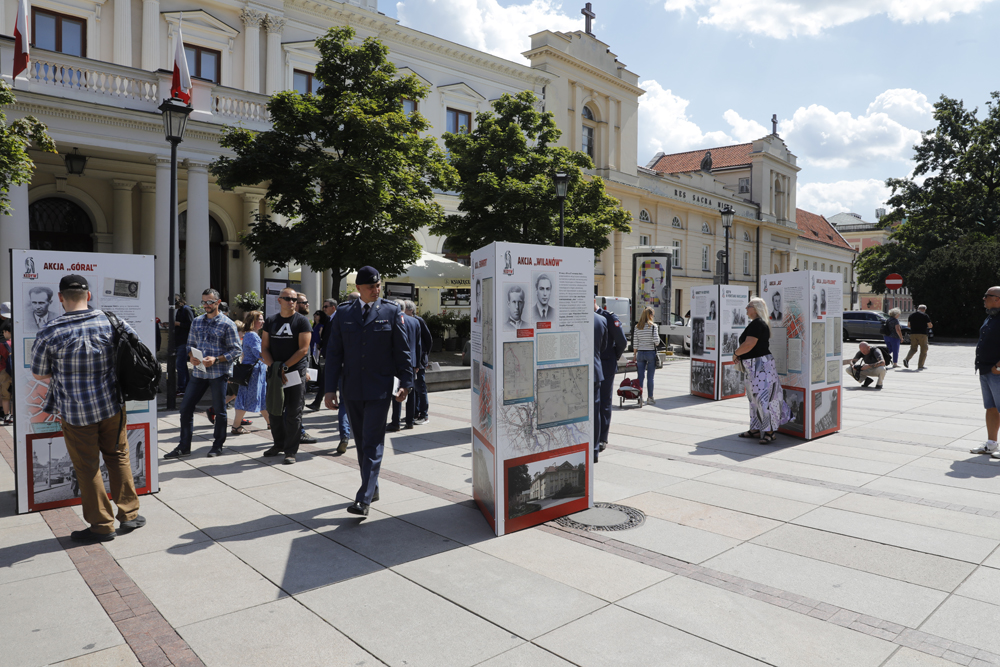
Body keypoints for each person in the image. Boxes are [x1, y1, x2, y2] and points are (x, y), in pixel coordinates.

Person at [30, 274, 144, 542]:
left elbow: (39, 374)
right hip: (111, 405)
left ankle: (102, 526)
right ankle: (129, 515)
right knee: (118, 456)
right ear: (88, 296)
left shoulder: (49, 331)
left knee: (87, 466)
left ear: (60, 298)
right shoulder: (111, 321)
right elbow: (136, 352)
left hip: (75, 410)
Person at [325, 266, 412, 516]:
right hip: (352, 388)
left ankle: (363, 499)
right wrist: (330, 389)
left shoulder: (391, 311)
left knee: (373, 442)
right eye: (371, 286)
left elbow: (402, 350)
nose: (376, 290)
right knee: (362, 441)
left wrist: (406, 382)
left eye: (378, 285)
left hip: (380, 388)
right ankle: (371, 487)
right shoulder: (343, 313)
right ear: (358, 289)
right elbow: (334, 354)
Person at [164, 289, 242, 459]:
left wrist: (217, 359)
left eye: (210, 302)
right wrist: (192, 357)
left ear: (218, 302)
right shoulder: (197, 322)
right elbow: (190, 345)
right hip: (199, 372)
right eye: (204, 302)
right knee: (185, 408)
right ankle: (184, 446)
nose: (206, 306)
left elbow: (236, 350)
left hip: (218, 372)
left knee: (220, 410)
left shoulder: (227, 324)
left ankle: (217, 444)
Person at [261, 288, 313, 464]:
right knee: (275, 411)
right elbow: (265, 348)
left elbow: (303, 350)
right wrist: (274, 368)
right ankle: (278, 444)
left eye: (294, 299)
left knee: (293, 412)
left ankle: (290, 451)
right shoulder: (271, 321)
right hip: (275, 373)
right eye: (287, 298)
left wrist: (284, 367)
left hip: (294, 373)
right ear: (279, 300)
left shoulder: (302, 322)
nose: (291, 302)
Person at [733, 297, 790, 444]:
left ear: (756, 308)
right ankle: (756, 428)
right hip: (755, 365)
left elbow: (749, 344)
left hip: (760, 366)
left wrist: (736, 353)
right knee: (754, 398)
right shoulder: (756, 323)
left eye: (749, 306)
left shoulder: (758, 324)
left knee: (763, 398)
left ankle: (769, 432)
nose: (746, 309)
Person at [595, 299, 627, 452]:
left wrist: (613, 357)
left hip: (606, 364)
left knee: (604, 402)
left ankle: (602, 438)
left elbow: (622, 342)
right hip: (593, 365)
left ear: (593, 300)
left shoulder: (609, 318)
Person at [231, 310, 270, 435]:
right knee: (245, 398)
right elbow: (259, 354)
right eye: (260, 319)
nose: (263, 321)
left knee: (262, 398)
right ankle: (236, 426)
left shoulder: (252, 334)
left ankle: (270, 423)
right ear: (253, 321)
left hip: (256, 372)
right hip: (252, 373)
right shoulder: (252, 335)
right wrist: (273, 365)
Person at [972, 287, 1000, 457]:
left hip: (997, 371)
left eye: (986, 296)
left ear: (997, 298)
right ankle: (991, 444)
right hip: (985, 369)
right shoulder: (991, 316)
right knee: (991, 408)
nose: (983, 299)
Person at [388, 300, 422, 432]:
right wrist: (417, 363)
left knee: (397, 391)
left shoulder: (393, 320)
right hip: (412, 362)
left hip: (396, 361)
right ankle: (410, 421)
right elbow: (419, 345)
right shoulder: (414, 321)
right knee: (410, 391)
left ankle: (395, 422)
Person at [307, 299, 338, 411]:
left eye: (326, 307)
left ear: (333, 307)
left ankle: (317, 402)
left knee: (327, 378)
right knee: (326, 379)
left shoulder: (337, 319)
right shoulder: (330, 319)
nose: (324, 309)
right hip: (328, 353)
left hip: (334, 354)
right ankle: (317, 402)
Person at [406, 301, 433, 425]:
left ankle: (424, 414)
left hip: (420, 360)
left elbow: (428, 340)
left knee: (420, 388)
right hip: (416, 359)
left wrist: (424, 356)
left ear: (410, 310)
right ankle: (415, 412)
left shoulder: (418, 321)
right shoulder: (409, 320)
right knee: (415, 388)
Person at [631, 306, 659, 406]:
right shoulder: (653, 326)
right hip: (650, 353)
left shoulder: (637, 327)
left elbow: (635, 342)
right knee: (650, 377)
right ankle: (650, 398)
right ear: (650, 315)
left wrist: (634, 354)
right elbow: (656, 341)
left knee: (640, 377)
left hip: (640, 354)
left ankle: (640, 397)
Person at [593, 309, 608, 463]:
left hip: (575, 374)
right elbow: (603, 347)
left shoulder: (573, 317)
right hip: (595, 372)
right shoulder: (601, 320)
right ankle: (594, 450)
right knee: (595, 412)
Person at [174, 295, 194, 397]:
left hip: (184, 341)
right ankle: (185, 387)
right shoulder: (180, 310)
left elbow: (191, 324)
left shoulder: (186, 309)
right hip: (180, 340)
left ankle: (182, 388)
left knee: (180, 365)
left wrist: (178, 324)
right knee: (181, 365)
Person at [904, 304, 933, 370]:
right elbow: (930, 325)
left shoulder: (911, 315)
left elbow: (908, 325)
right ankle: (920, 365)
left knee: (913, 349)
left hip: (913, 334)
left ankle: (906, 359)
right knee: (924, 350)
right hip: (922, 334)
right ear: (924, 309)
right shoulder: (925, 315)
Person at [0, 320, 12, 424]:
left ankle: (6, 416)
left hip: (4, 371)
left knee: (5, 395)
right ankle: (13, 416)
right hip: (16, 371)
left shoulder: (2, 345)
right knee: (15, 394)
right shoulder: (18, 342)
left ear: (7, 332)